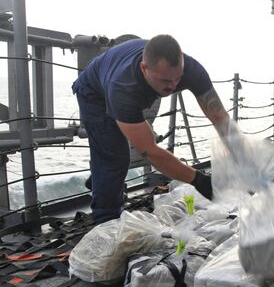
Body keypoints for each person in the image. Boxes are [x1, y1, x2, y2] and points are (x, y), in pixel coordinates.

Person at [72, 35, 229, 223]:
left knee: (111, 164)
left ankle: (101, 181)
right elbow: (150, 152)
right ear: (144, 69)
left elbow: (220, 116)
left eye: (177, 79)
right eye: (165, 81)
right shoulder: (122, 87)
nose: (173, 86)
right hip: (94, 93)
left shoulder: (192, 69)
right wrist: (199, 181)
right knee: (113, 157)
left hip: (119, 80)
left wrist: (240, 153)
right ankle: (106, 221)